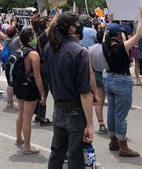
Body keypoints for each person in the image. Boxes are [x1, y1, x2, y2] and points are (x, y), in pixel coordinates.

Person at [43, 12, 93, 168]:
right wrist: (90, 124)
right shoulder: (80, 52)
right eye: (78, 24)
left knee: (57, 153)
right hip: (76, 110)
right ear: (72, 28)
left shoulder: (49, 48)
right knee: (76, 157)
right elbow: (85, 92)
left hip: (58, 107)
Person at [103, 10, 142, 158]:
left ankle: (113, 141)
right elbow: (138, 35)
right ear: (117, 35)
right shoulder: (121, 47)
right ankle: (123, 145)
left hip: (109, 78)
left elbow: (106, 32)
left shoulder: (104, 44)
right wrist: (140, 18)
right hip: (122, 80)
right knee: (120, 115)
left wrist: (110, 20)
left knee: (111, 112)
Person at [14, 28, 46, 155]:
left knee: (21, 113)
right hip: (29, 87)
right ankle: (27, 146)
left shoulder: (18, 52)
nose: (35, 38)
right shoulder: (34, 54)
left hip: (19, 86)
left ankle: (19, 139)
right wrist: (42, 93)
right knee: (27, 117)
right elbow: (37, 76)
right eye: (33, 36)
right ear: (30, 39)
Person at [88, 28, 109, 135]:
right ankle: (112, 125)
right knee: (112, 101)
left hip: (96, 74)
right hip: (108, 74)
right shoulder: (108, 48)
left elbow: (89, 65)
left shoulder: (90, 49)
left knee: (99, 100)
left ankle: (101, 125)